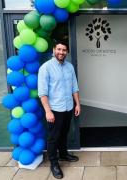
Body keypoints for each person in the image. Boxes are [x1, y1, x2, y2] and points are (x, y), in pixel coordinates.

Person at [38, 40, 81, 179]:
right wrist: (48, 111)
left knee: (64, 133)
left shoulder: (70, 67)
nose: (61, 52)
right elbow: (42, 93)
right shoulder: (46, 67)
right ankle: (54, 163)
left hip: (68, 107)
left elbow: (74, 87)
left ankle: (63, 154)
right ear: (53, 50)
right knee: (53, 138)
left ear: (67, 52)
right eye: (59, 49)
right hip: (54, 110)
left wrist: (77, 104)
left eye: (64, 50)